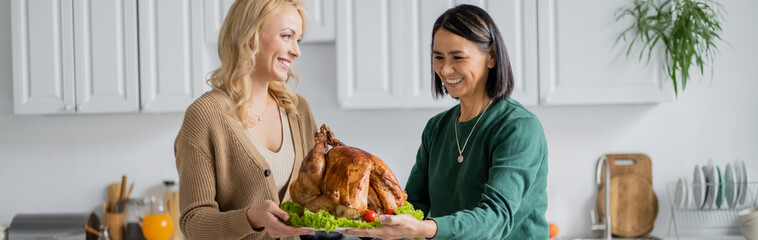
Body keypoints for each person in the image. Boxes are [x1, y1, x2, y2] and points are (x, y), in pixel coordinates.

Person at [342, 4, 548, 239]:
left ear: (491, 57)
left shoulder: (517, 127)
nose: (445, 69)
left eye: (457, 57)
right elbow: (412, 208)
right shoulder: (437, 128)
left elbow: (496, 216)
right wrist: (371, 223)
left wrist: (426, 229)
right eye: (438, 57)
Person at [174, 0, 318, 239]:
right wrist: (251, 217)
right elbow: (193, 223)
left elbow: (321, 194)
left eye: (298, 39)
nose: (296, 51)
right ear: (250, 36)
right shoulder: (205, 116)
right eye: (286, 36)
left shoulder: (298, 110)